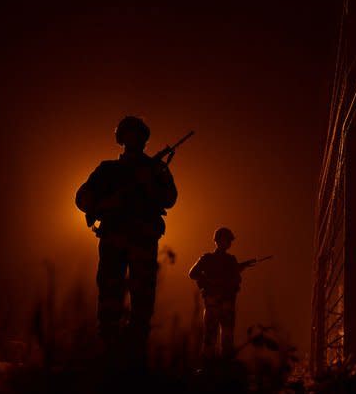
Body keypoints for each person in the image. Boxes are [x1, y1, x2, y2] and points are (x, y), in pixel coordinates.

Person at [75, 116, 178, 367]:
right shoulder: (108, 170)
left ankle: (135, 357)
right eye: (129, 134)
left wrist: (150, 183)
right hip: (114, 238)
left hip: (142, 240)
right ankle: (109, 353)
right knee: (110, 296)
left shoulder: (156, 169)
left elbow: (169, 199)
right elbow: (82, 198)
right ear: (121, 138)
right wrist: (103, 204)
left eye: (138, 135)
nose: (134, 140)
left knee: (142, 301)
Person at [189, 227, 256, 358]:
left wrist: (238, 269)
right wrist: (208, 282)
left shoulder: (230, 260)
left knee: (226, 339)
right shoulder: (208, 258)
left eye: (230, 241)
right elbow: (193, 274)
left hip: (226, 304)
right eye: (227, 240)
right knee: (210, 338)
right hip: (214, 303)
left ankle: (222, 368)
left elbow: (234, 279)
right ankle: (209, 367)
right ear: (218, 241)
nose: (229, 243)